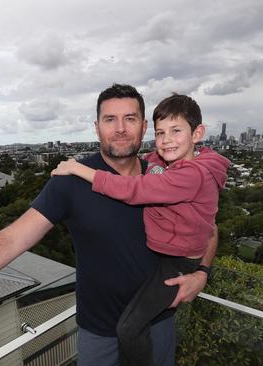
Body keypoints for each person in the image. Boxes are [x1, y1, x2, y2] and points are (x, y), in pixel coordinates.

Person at [0, 84, 218, 366]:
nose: (121, 129)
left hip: (157, 323)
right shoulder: (71, 182)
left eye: (130, 119)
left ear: (144, 126)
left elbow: (208, 227)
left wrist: (202, 272)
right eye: (110, 119)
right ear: (97, 128)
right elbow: (13, 239)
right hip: (99, 333)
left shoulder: (164, 174)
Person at [51, 94, 230, 365]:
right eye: (160, 133)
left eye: (176, 131)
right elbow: (152, 163)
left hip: (177, 263)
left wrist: (79, 169)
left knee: (129, 328)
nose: (167, 139)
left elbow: (134, 190)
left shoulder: (191, 174)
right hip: (168, 260)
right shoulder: (163, 162)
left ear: (198, 133)